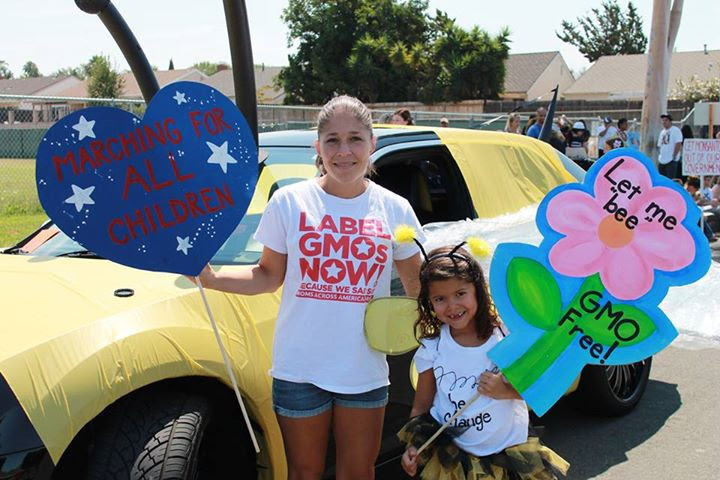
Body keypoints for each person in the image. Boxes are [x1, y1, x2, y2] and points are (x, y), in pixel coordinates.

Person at [195, 95, 424, 480]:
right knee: (303, 473)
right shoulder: (290, 202)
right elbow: (268, 275)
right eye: (332, 140)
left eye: (354, 139)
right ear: (318, 148)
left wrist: (468, 330)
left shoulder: (395, 208)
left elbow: (419, 288)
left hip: (363, 368)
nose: (344, 151)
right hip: (298, 368)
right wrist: (212, 278)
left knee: (357, 473)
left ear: (372, 144)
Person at [398, 244, 569, 479]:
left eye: (460, 293)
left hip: (511, 453)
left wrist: (506, 391)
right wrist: (414, 445)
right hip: (456, 460)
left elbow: (542, 387)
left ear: (478, 289)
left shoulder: (506, 334)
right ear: (429, 302)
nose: (452, 305)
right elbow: (421, 406)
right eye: (440, 298)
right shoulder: (432, 347)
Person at [657, 113, 683, 179]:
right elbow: (660, 145)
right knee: (662, 179)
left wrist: (674, 155)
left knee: (671, 180)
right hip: (662, 160)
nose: (664, 122)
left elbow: (678, 143)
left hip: (671, 160)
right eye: (663, 120)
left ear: (670, 121)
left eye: (666, 120)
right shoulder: (662, 132)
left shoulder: (675, 130)